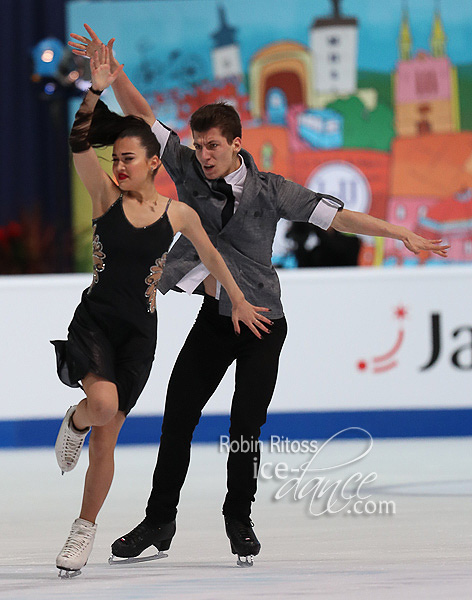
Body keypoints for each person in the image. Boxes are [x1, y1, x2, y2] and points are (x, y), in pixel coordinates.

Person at [69, 25, 449, 567]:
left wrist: (400, 232)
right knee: (178, 414)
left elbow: (339, 217)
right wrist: (117, 74)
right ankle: (159, 520)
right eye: (197, 146)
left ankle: (238, 517)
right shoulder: (182, 165)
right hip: (216, 318)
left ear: (236, 145)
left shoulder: (274, 190)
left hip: (264, 322)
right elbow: (145, 114)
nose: (202, 155)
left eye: (212, 147)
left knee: (245, 426)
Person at [52, 45, 271, 578]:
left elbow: (215, 258)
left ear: (154, 163)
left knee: (111, 434)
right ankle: (76, 419)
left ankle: (83, 529)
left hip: (138, 335)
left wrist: (238, 299)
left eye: (128, 158)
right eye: (116, 159)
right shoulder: (105, 199)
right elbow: (80, 141)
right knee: (101, 407)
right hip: (97, 322)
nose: (119, 166)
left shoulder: (179, 213)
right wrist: (97, 89)